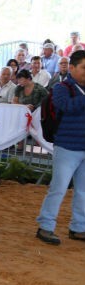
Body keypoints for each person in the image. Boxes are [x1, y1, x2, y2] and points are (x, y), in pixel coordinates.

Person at [35, 50, 85, 245]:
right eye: (83, 68)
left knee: (83, 191)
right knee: (58, 188)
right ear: (71, 68)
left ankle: (79, 227)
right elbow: (66, 106)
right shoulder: (62, 88)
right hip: (66, 147)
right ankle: (45, 226)